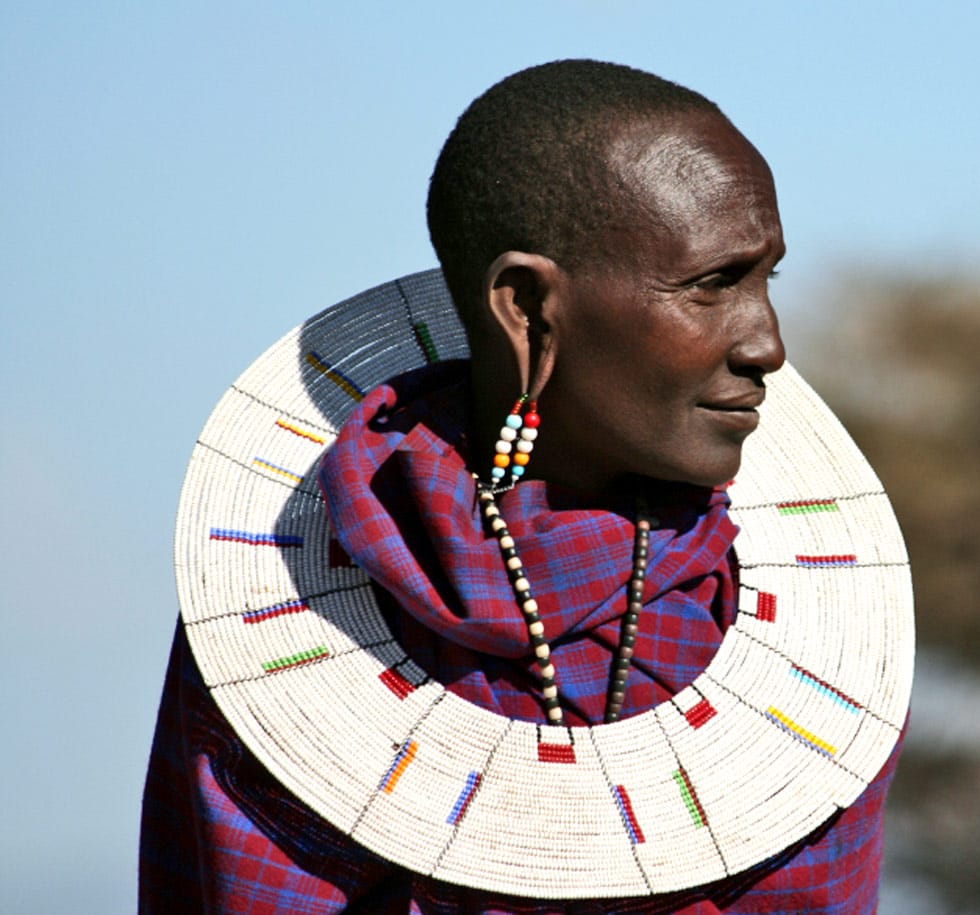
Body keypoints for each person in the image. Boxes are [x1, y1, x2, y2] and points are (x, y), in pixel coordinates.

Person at [141, 60, 912, 913]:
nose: (766, 343)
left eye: (768, 278)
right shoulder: (281, 612)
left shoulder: (801, 637)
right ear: (527, 308)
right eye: (712, 285)